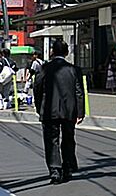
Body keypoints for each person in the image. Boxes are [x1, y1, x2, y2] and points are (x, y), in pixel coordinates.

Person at [34, 40, 85, 184]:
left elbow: (37, 89)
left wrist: (39, 108)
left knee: (51, 141)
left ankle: (55, 171)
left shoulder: (44, 69)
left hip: (49, 110)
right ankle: (68, 168)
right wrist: (80, 112)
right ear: (66, 52)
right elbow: (79, 92)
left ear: (52, 52)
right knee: (68, 139)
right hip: (69, 111)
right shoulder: (74, 69)